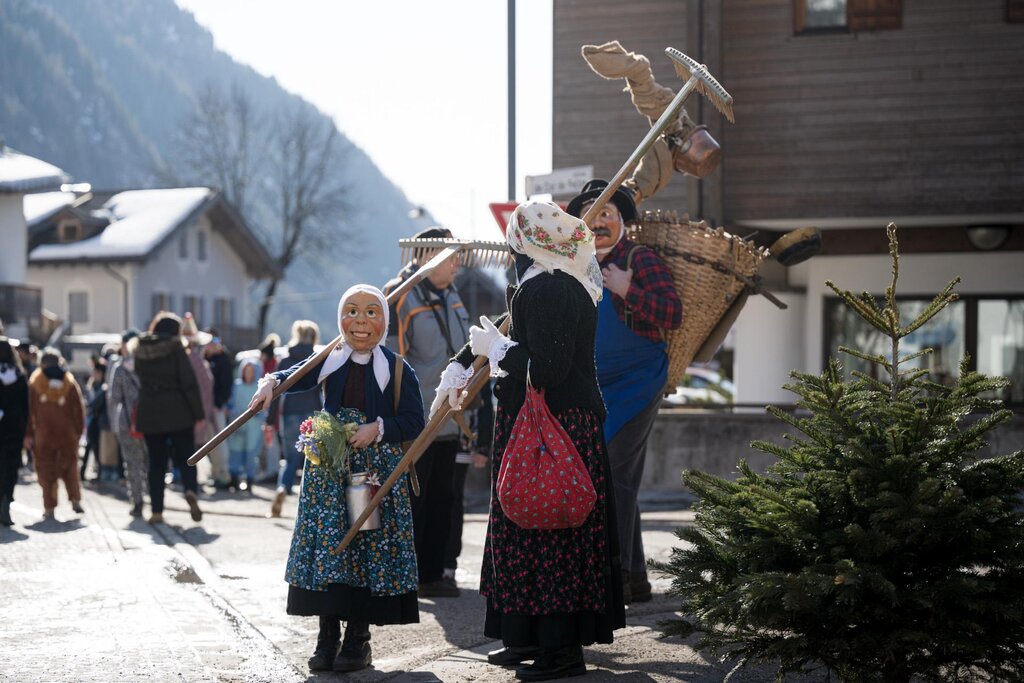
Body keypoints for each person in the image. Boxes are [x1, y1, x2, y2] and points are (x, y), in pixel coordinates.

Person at [434, 201, 625, 680]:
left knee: (547, 530)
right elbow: (515, 331)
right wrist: (464, 359)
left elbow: (547, 367)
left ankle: (559, 649)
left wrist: (495, 350)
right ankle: (528, 637)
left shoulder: (552, 289)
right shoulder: (552, 282)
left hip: (552, 429)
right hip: (548, 427)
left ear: (529, 239)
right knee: (529, 527)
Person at [251, 284, 425, 673]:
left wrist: (376, 429)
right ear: (340, 319)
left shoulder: (397, 368)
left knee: (362, 549)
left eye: (370, 312)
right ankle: (326, 638)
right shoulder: (330, 359)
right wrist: (269, 383)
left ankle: (357, 641)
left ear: (384, 319)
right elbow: (292, 376)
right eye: (351, 311)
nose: (360, 321)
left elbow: (416, 421)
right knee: (332, 552)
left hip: (369, 475)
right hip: (329, 474)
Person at [567, 179, 682, 603]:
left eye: (607, 214)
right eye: (591, 214)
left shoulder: (640, 259)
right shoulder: (574, 267)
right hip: (594, 388)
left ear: (621, 222)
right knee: (619, 480)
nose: (598, 222)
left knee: (613, 473)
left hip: (638, 383)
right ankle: (633, 578)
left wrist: (626, 288)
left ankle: (610, 579)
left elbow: (673, 314)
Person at [383, 225, 470, 597]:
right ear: (425, 257)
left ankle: (434, 573)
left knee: (442, 498)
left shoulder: (453, 296)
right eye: (450, 257)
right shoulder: (399, 298)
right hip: (417, 421)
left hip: (450, 418)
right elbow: (389, 363)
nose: (457, 264)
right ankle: (409, 573)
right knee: (413, 500)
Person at [131, 312, 204, 524]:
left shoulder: (140, 350)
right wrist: (197, 412)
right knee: (187, 457)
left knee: (156, 463)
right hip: (178, 411)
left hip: (150, 412)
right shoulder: (176, 349)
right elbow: (188, 382)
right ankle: (190, 490)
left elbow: (138, 376)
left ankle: (156, 510)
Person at [269, 320, 323, 518]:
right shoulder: (317, 358)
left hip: (290, 412)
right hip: (312, 412)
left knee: (291, 460)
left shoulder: (285, 359)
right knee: (314, 459)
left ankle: (282, 487)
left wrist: (269, 421)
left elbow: (274, 392)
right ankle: (311, 506)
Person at [25, 348, 86, 520]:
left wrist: (29, 433)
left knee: (46, 470)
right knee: (71, 468)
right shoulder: (69, 382)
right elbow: (78, 409)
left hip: (44, 434)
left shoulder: (35, 382)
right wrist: (78, 431)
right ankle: (75, 499)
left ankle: (49, 507)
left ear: (42, 363)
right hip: (67, 433)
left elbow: (30, 412)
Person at [180, 314, 217, 488]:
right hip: (198, 408)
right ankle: (191, 483)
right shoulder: (199, 361)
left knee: (188, 447)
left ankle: (190, 483)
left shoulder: (186, 359)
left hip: (188, 409)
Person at [0, 337, 29, 526]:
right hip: (14, 428)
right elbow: (25, 406)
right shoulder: (19, 374)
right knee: (10, 468)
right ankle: (6, 501)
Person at [228, 358, 264, 493]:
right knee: (235, 452)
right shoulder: (237, 386)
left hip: (254, 426)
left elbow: (264, 408)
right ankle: (234, 480)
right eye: (246, 371)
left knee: (251, 453)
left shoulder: (259, 388)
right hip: (237, 424)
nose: (249, 374)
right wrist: (233, 414)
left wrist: (259, 415)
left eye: (251, 371)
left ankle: (249, 481)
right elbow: (231, 404)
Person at [205, 335, 235, 489]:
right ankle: (216, 472)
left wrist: (220, 403)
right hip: (208, 407)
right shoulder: (208, 359)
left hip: (217, 407)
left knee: (219, 441)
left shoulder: (223, 360)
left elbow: (226, 385)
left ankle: (223, 474)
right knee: (210, 441)